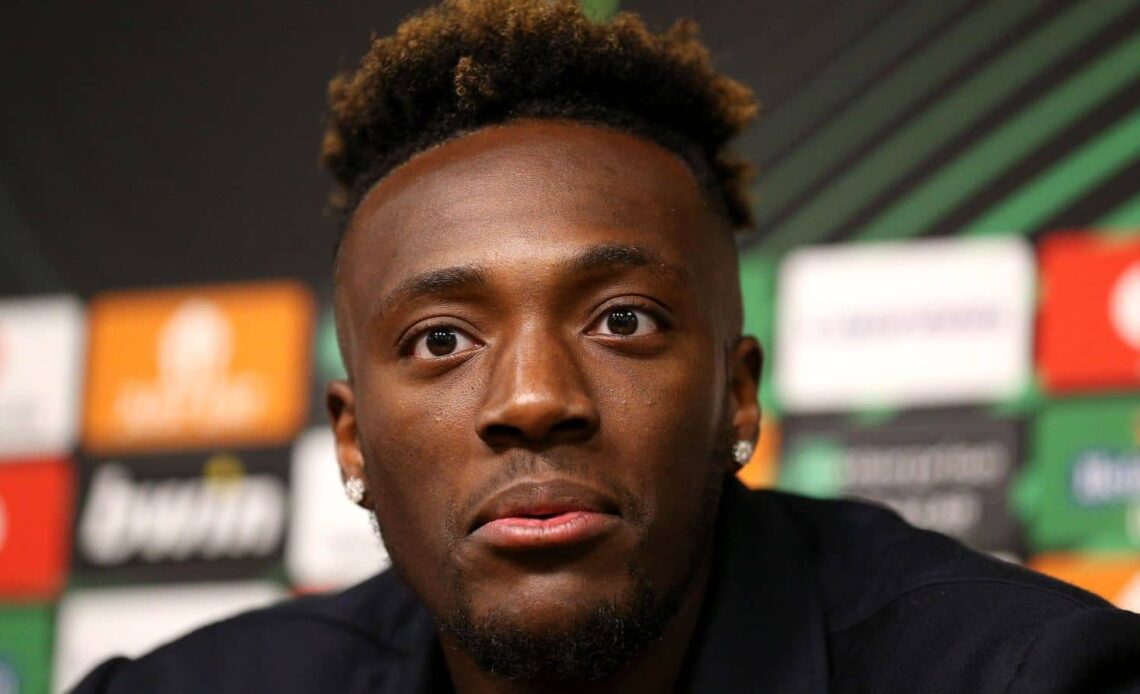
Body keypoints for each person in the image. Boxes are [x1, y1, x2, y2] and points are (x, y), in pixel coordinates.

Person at [74, 1, 1140, 692]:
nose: (535, 397)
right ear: (352, 443)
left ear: (736, 394)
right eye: (441, 338)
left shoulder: (1024, 677)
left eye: (622, 319)